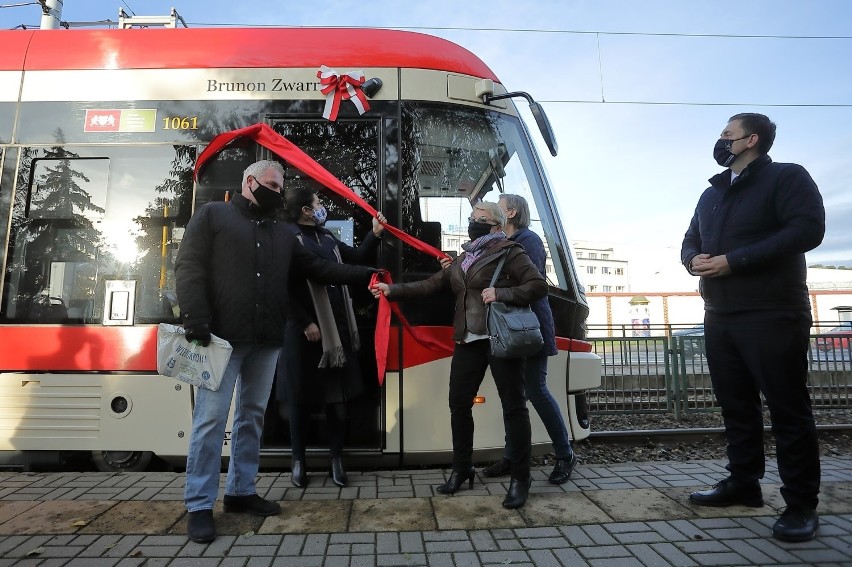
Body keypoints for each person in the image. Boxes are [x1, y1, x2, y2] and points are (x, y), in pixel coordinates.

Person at [175, 160, 374, 544]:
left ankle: (240, 492)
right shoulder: (213, 215)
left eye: (281, 187)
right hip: (220, 339)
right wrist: (195, 318)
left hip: (266, 341)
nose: (277, 192)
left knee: (252, 418)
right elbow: (189, 266)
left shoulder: (283, 234)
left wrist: (369, 275)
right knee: (211, 421)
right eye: (271, 184)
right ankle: (199, 505)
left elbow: (319, 269)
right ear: (249, 181)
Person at [681, 113, 825, 542]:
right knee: (736, 406)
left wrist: (733, 261)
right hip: (720, 314)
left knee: (787, 410)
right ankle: (743, 484)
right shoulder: (712, 193)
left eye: (727, 135)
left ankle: (801, 504)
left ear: (752, 140)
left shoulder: (786, 177)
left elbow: (807, 229)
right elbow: (690, 238)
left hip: (773, 311)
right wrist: (693, 261)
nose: (720, 140)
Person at [370, 201, 547, 509]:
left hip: (499, 338)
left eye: (478, 219)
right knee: (458, 404)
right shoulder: (464, 257)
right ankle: (462, 469)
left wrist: (503, 293)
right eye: (471, 218)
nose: (471, 223)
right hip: (468, 340)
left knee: (513, 407)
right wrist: (392, 290)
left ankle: (521, 477)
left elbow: (537, 285)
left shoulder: (510, 251)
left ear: (494, 224)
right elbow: (431, 285)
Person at [277, 187, 386, 488]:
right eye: (318, 202)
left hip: (335, 331)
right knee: (300, 400)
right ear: (305, 210)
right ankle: (298, 461)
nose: (322, 206)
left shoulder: (326, 238)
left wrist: (374, 235)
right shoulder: (286, 237)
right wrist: (304, 322)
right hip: (305, 334)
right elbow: (281, 288)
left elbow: (351, 261)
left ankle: (336, 459)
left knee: (338, 399)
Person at [480, 193, 577, 484]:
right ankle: (513, 456)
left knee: (536, 390)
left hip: (529, 326)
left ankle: (565, 453)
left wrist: (499, 292)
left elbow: (531, 285)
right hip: (511, 326)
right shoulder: (503, 239)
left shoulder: (528, 240)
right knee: (514, 395)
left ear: (510, 212)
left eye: (497, 205)